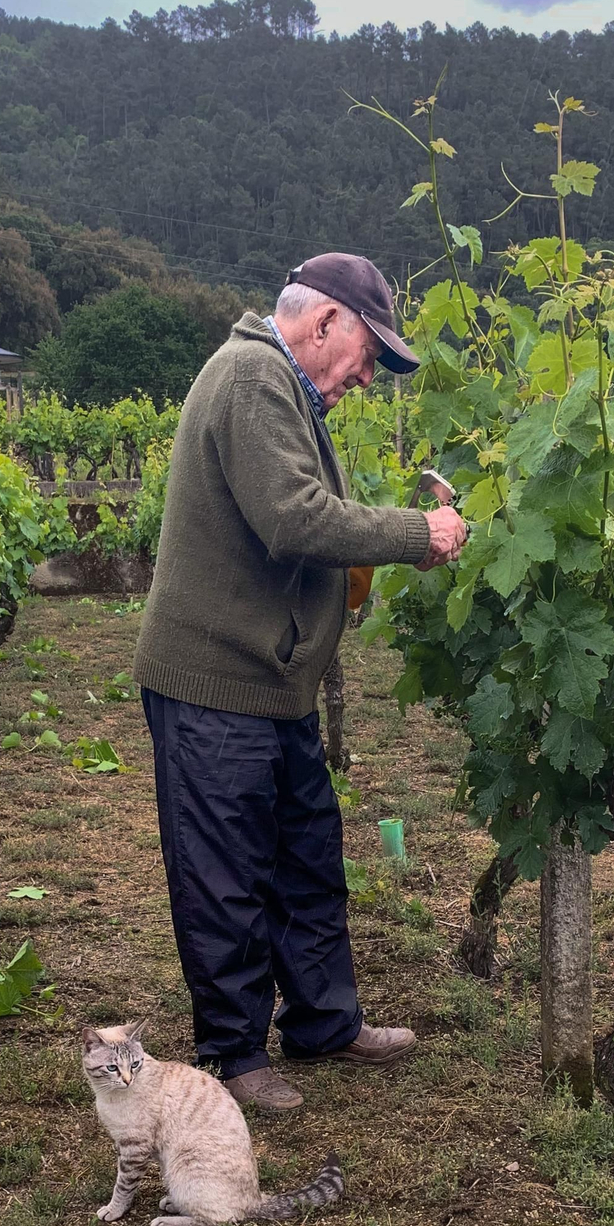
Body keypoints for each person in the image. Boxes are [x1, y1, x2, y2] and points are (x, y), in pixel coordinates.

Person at [132, 253, 468, 1111]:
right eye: (366, 353)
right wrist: (412, 532)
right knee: (226, 872)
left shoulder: (285, 389)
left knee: (305, 857)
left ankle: (324, 1020)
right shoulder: (252, 376)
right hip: (215, 680)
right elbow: (292, 518)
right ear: (322, 323)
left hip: (271, 684)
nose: (367, 375)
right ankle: (235, 1057)